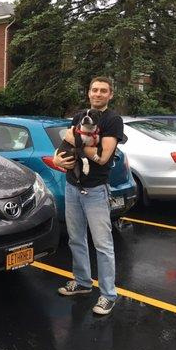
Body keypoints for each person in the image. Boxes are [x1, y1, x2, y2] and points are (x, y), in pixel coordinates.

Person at [53, 76, 123, 315]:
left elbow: (103, 157)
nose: (98, 94)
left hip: (95, 190)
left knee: (102, 244)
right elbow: (65, 142)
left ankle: (108, 295)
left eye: (104, 90)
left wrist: (80, 145)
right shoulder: (79, 115)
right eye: (95, 90)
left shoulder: (113, 120)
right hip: (72, 186)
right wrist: (55, 158)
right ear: (89, 92)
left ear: (110, 94)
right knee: (76, 239)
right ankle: (82, 282)